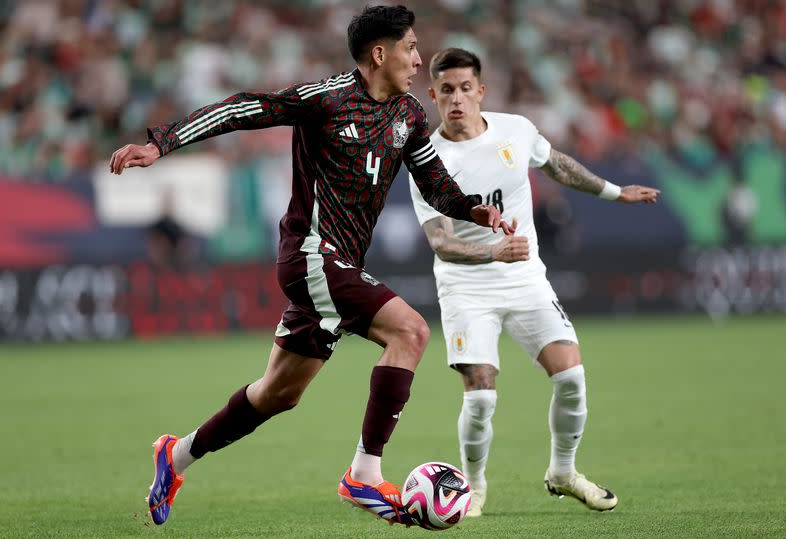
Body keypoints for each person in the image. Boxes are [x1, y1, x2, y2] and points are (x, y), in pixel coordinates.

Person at [109, 7, 512, 527]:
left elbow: (433, 181)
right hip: (311, 253)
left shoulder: (410, 115)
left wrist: (472, 208)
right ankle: (364, 473)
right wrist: (159, 144)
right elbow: (241, 109)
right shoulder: (325, 100)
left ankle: (176, 456)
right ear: (380, 53)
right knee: (410, 332)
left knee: (278, 393)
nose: (418, 59)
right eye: (410, 48)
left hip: (338, 265)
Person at [408, 48, 660, 516]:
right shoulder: (427, 159)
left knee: (572, 377)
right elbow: (441, 241)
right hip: (467, 286)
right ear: (433, 96)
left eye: (466, 88)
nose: (457, 99)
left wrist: (614, 192)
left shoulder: (516, 130)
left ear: (481, 91)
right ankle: (475, 489)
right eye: (447, 90)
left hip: (525, 279)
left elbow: (557, 164)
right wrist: (491, 250)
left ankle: (563, 472)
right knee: (481, 393)